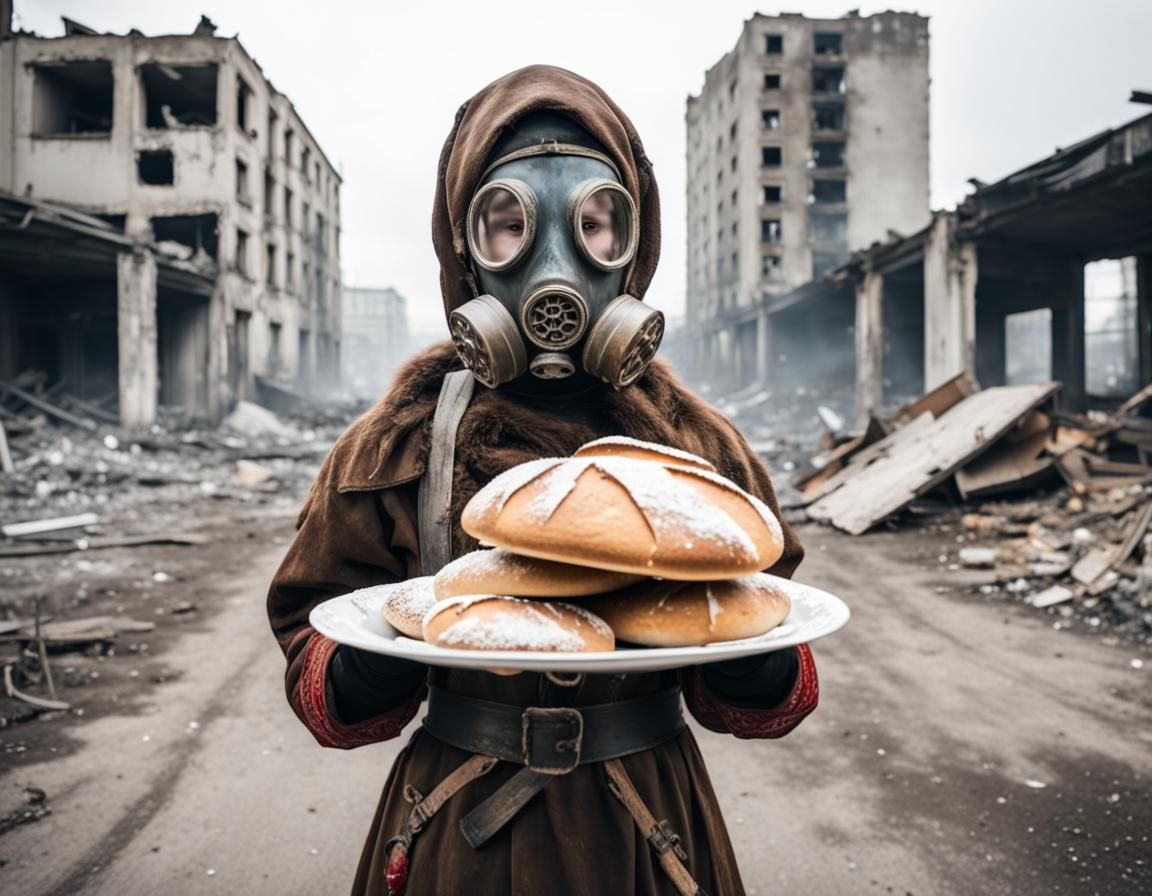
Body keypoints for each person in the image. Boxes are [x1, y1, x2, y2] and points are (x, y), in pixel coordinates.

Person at [268, 65, 819, 896]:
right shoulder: (394, 447)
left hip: (648, 834)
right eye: (510, 225)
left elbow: (774, 662)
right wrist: (371, 663)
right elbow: (316, 666)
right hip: (459, 835)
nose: (557, 263)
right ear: (465, 250)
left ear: (634, 247)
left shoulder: (697, 452)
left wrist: (751, 664)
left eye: (595, 224)